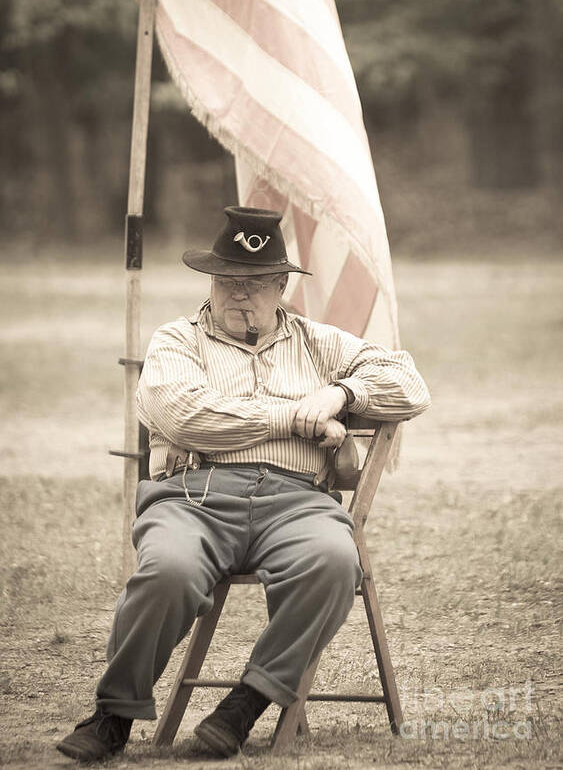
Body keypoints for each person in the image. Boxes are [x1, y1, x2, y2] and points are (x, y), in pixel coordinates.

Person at [57, 206, 430, 762]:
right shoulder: (176, 341)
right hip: (193, 496)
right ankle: (113, 714)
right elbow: (185, 416)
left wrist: (340, 397)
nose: (238, 295)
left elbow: (410, 384)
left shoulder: (316, 343)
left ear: (281, 286)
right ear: (210, 281)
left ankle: (246, 704)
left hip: (297, 501)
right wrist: (293, 416)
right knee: (170, 570)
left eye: (254, 283)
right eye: (227, 281)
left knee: (333, 558)